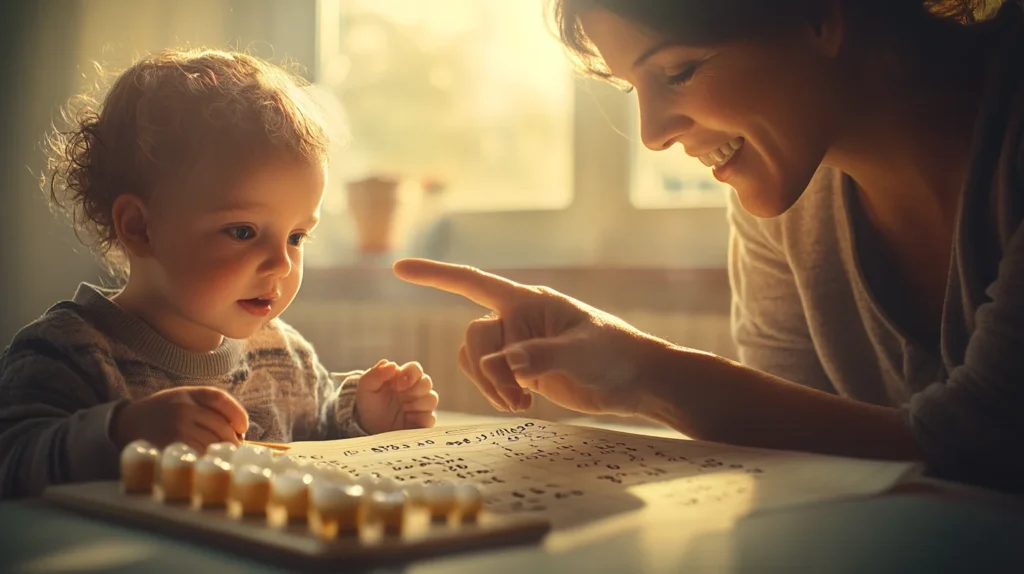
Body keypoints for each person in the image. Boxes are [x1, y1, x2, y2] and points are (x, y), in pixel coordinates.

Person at [394, 0, 1024, 492]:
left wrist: (645, 374)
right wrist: (628, 371)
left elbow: (981, 449)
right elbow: (799, 452)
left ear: (818, 16)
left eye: (679, 72)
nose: (652, 133)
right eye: (632, 88)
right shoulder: (782, 187)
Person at [0, 49, 439, 499]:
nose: (282, 263)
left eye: (297, 236)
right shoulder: (68, 353)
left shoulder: (283, 357)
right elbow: (11, 463)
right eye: (244, 231)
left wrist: (366, 417)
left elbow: (318, 436)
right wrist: (121, 434)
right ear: (140, 227)